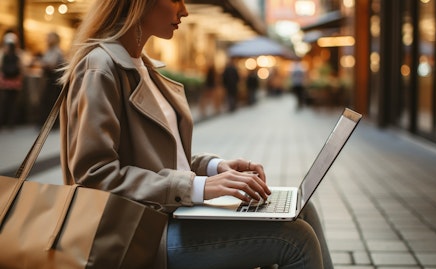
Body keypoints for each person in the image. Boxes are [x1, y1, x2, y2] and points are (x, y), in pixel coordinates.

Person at [59, 1, 332, 268]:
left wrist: (215, 167)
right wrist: (198, 187)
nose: (184, 10)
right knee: (296, 239)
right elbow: (95, 174)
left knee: (302, 209)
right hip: (139, 232)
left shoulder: (144, 67)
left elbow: (163, 161)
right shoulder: (99, 66)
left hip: (169, 213)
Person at [38, 32, 65, 127]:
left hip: (53, 81)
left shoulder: (57, 51)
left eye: (50, 37)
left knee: (51, 102)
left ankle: (52, 124)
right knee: (46, 101)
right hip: (48, 79)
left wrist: (42, 63)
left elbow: (51, 64)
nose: (47, 39)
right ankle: (45, 123)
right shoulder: (48, 50)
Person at [0, 32, 23, 129]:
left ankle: (7, 122)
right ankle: (9, 123)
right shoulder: (18, 55)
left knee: (6, 103)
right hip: (13, 82)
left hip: (7, 82)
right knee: (9, 103)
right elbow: (21, 69)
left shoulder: (3, 55)